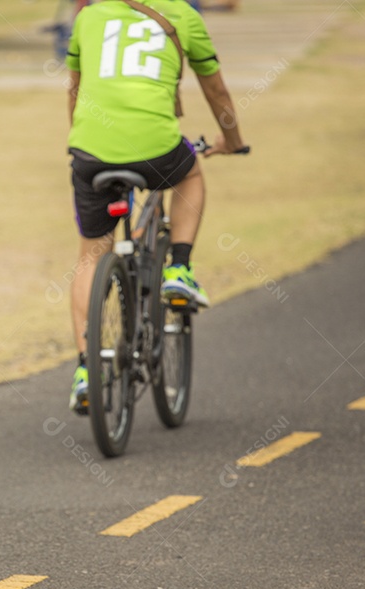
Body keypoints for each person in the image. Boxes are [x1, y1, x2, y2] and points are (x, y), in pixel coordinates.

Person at [65, 0, 246, 414]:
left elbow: (75, 90)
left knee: (91, 254)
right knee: (190, 174)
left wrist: (80, 143)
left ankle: (85, 370)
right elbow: (215, 88)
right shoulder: (184, 16)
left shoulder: (88, 17)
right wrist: (231, 140)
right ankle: (179, 267)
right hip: (155, 150)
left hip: (91, 151)